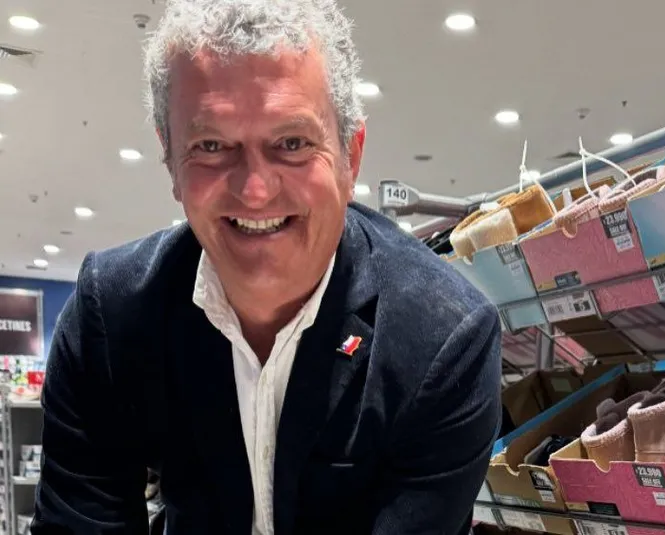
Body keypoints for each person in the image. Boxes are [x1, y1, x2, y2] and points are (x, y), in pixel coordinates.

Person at [32, 0, 502, 533]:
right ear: (171, 159)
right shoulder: (111, 314)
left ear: (351, 156)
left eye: (292, 143)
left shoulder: (443, 337)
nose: (255, 190)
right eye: (211, 145)